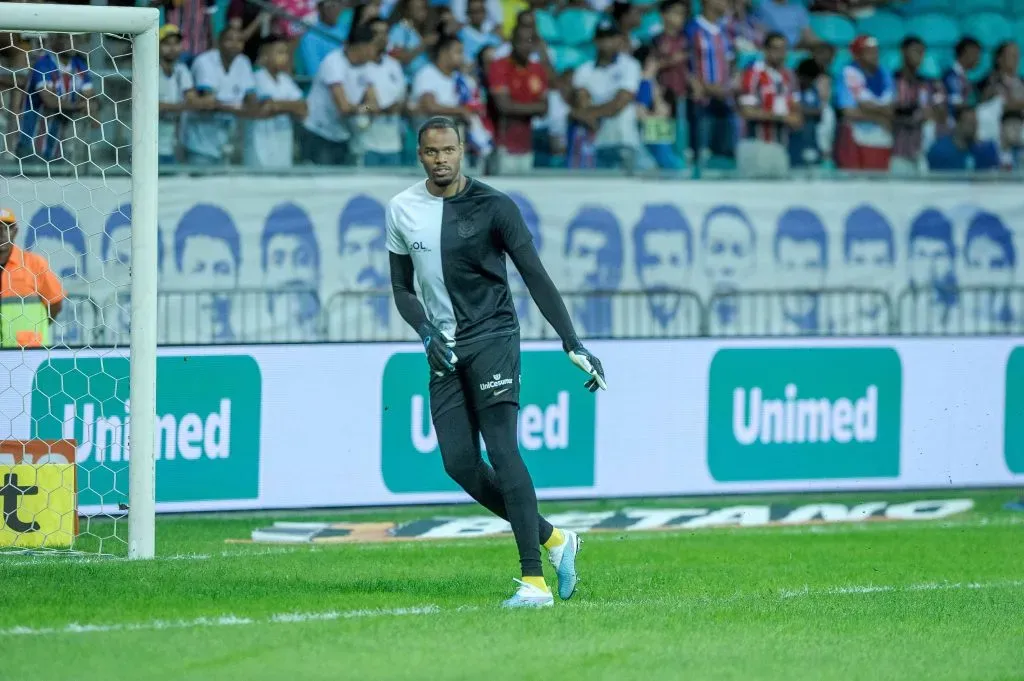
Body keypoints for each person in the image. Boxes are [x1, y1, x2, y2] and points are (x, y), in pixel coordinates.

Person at [386, 116, 606, 608]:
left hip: (493, 337)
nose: (440, 159)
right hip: (442, 346)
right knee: (459, 463)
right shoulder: (401, 209)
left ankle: (534, 582)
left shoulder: (495, 207)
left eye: (448, 150)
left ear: (463, 150)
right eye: (430, 152)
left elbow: (536, 275)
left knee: (503, 451)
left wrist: (572, 342)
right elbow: (401, 287)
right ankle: (555, 540)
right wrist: (424, 330)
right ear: (419, 154)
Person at [0, 208, 65, 348]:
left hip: (28, 351)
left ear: (15, 231)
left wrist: (37, 327)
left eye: (7, 228)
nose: (1, 234)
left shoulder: (34, 264)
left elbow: (55, 303)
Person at [927, 105, 1000, 171]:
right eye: (969, 123)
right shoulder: (939, 151)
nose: (974, 128)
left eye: (975, 124)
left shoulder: (984, 150)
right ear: (958, 124)